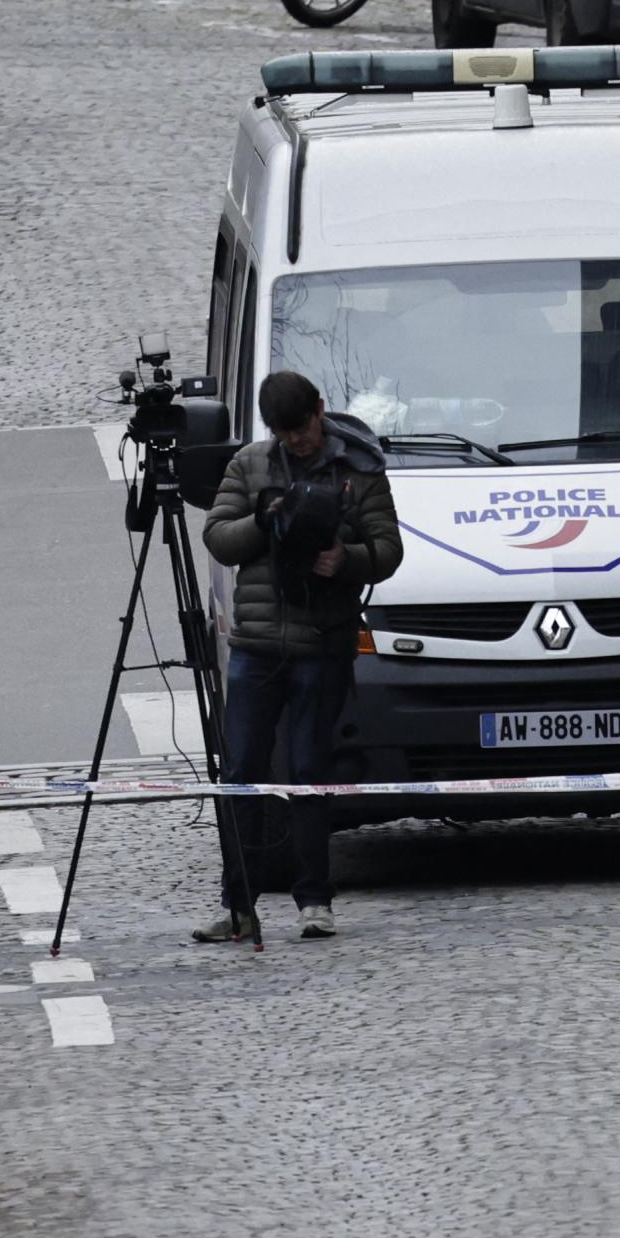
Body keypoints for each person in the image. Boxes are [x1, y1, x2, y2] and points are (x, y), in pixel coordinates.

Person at [195, 371, 404, 945]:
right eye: (286, 436)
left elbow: (390, 549)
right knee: (241, 775)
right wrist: (264, 520)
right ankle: (239, 905)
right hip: (257, 647)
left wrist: (349, 559)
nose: (298, 443)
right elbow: (217, 538)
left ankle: (315, 902)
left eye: (304, 430)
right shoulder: (249, 465)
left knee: (309, 772)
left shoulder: (358, 469)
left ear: (320, 410)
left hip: (322, 644)